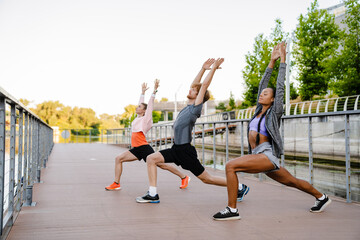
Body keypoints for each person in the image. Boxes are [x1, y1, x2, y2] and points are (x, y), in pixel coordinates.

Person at [213, 42, 331, 221]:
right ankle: (322, 197)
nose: (262, 95)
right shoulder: (257, 112)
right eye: (262, 93)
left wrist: (283, 60)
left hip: (267, 156)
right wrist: (271, 62)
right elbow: (263, 84)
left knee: (230, 166)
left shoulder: (274, 112)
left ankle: (232, 209)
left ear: (274, 99)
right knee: (292, 181)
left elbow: (280, 85)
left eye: (266, 94)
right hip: (259, 156)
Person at [136, 58, 249, 203]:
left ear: (198, 96)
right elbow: (195, 84)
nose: (190, 89)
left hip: (185, 152)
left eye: (194, 90)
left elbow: (204, 86)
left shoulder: (195, 108)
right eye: (192, 89)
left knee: (207, 179)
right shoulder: (187, 106)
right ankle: (152, 194)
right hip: (176, 149)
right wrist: (202, 69)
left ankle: (239, 187)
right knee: (151, 159)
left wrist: (213, 69)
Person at [105, 80, 190, 191]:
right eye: (138, 106)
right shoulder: (137, 118)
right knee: (118, 159)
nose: (137, 108)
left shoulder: (146, 120)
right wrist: (142, 93)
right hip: (136, 149)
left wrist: (154, 91)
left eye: (139, 107)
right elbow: (142, 103)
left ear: (145, 111)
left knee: (161, 165)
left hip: (144, 148)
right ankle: (116, 183)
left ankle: (184, 177)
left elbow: (149, 106)